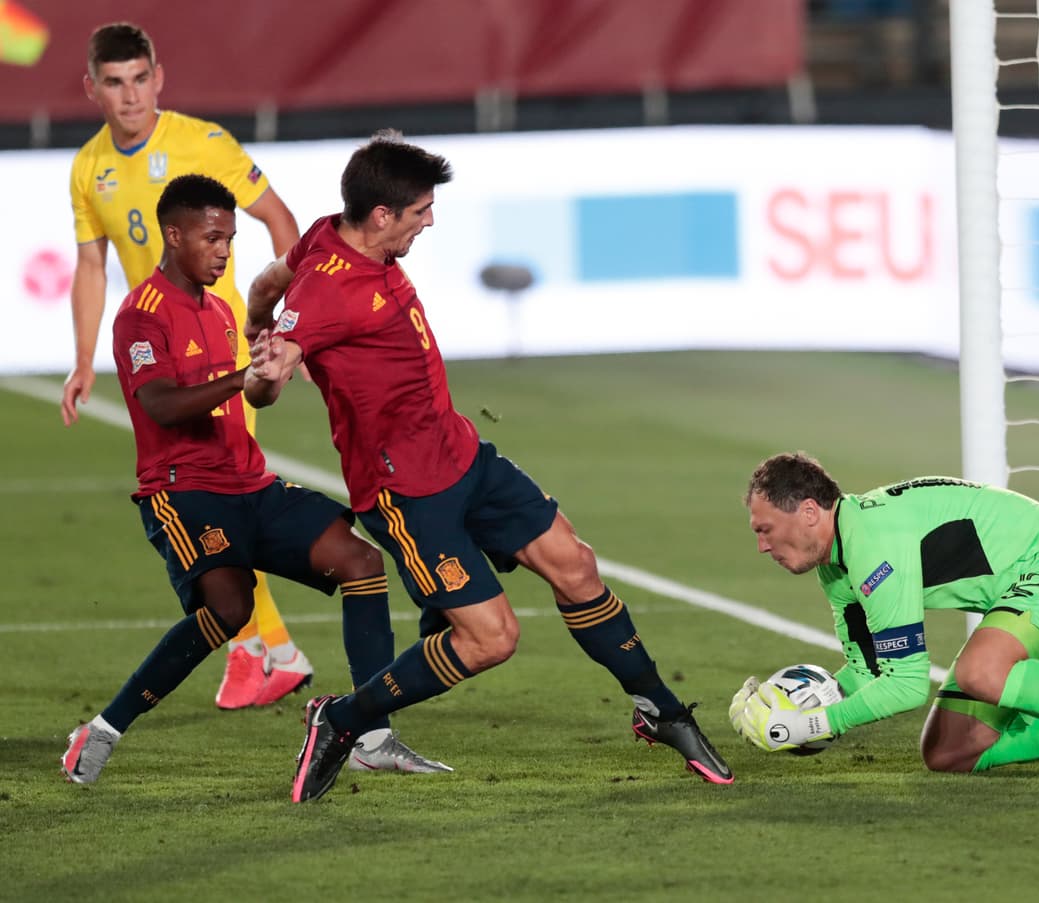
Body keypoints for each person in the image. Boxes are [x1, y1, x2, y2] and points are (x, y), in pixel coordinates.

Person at [241, 131, 734, 801]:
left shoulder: (329, 235)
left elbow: (271, 278)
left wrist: (255, 319)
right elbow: (267, 381)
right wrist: (267, 368)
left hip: (464, 455)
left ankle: (661, 710)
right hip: (405, 490)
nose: (430, 220)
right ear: (382, 216)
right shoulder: (329, 292)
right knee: (493, 637)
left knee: (576, 564)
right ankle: (343, 718)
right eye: (420, 210)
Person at [61, 175, 448, 784]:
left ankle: (371, 736)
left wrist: (266, 375)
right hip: (181, 490)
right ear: (174, 234)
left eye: (230, 239)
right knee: (230, 607)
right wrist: (242, 378)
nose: (223, 250)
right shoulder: (141, 315)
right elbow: (161, 405)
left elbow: (254, 399)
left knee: (361, 563)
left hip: (251, 486)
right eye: (212, 238)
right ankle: (103, 729)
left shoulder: (222, 309)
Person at [61, 22, 307, 709]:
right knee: (212, 508)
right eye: (114, 82)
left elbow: (283, 222)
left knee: (222, 504)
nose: (130, 95)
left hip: (222, 356)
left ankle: (267, 651)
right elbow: (90, 264)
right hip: (163, 363)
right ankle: (269, 650)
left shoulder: (202, 144)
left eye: (140, 78)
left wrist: (288, 327)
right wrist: (83, 359)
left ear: (158, 78)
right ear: (93, 89)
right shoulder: (88, 168)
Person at [730, 452, 1039, 787]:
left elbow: (907, 685)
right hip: (1024, 586)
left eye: (765, 529)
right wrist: (799, 707)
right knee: (949, 754)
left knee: (982, 670)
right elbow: (869, 672)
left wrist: (811, 725)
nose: (761, 546)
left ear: (809, 511)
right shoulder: (839, 567)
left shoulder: (873, 543)